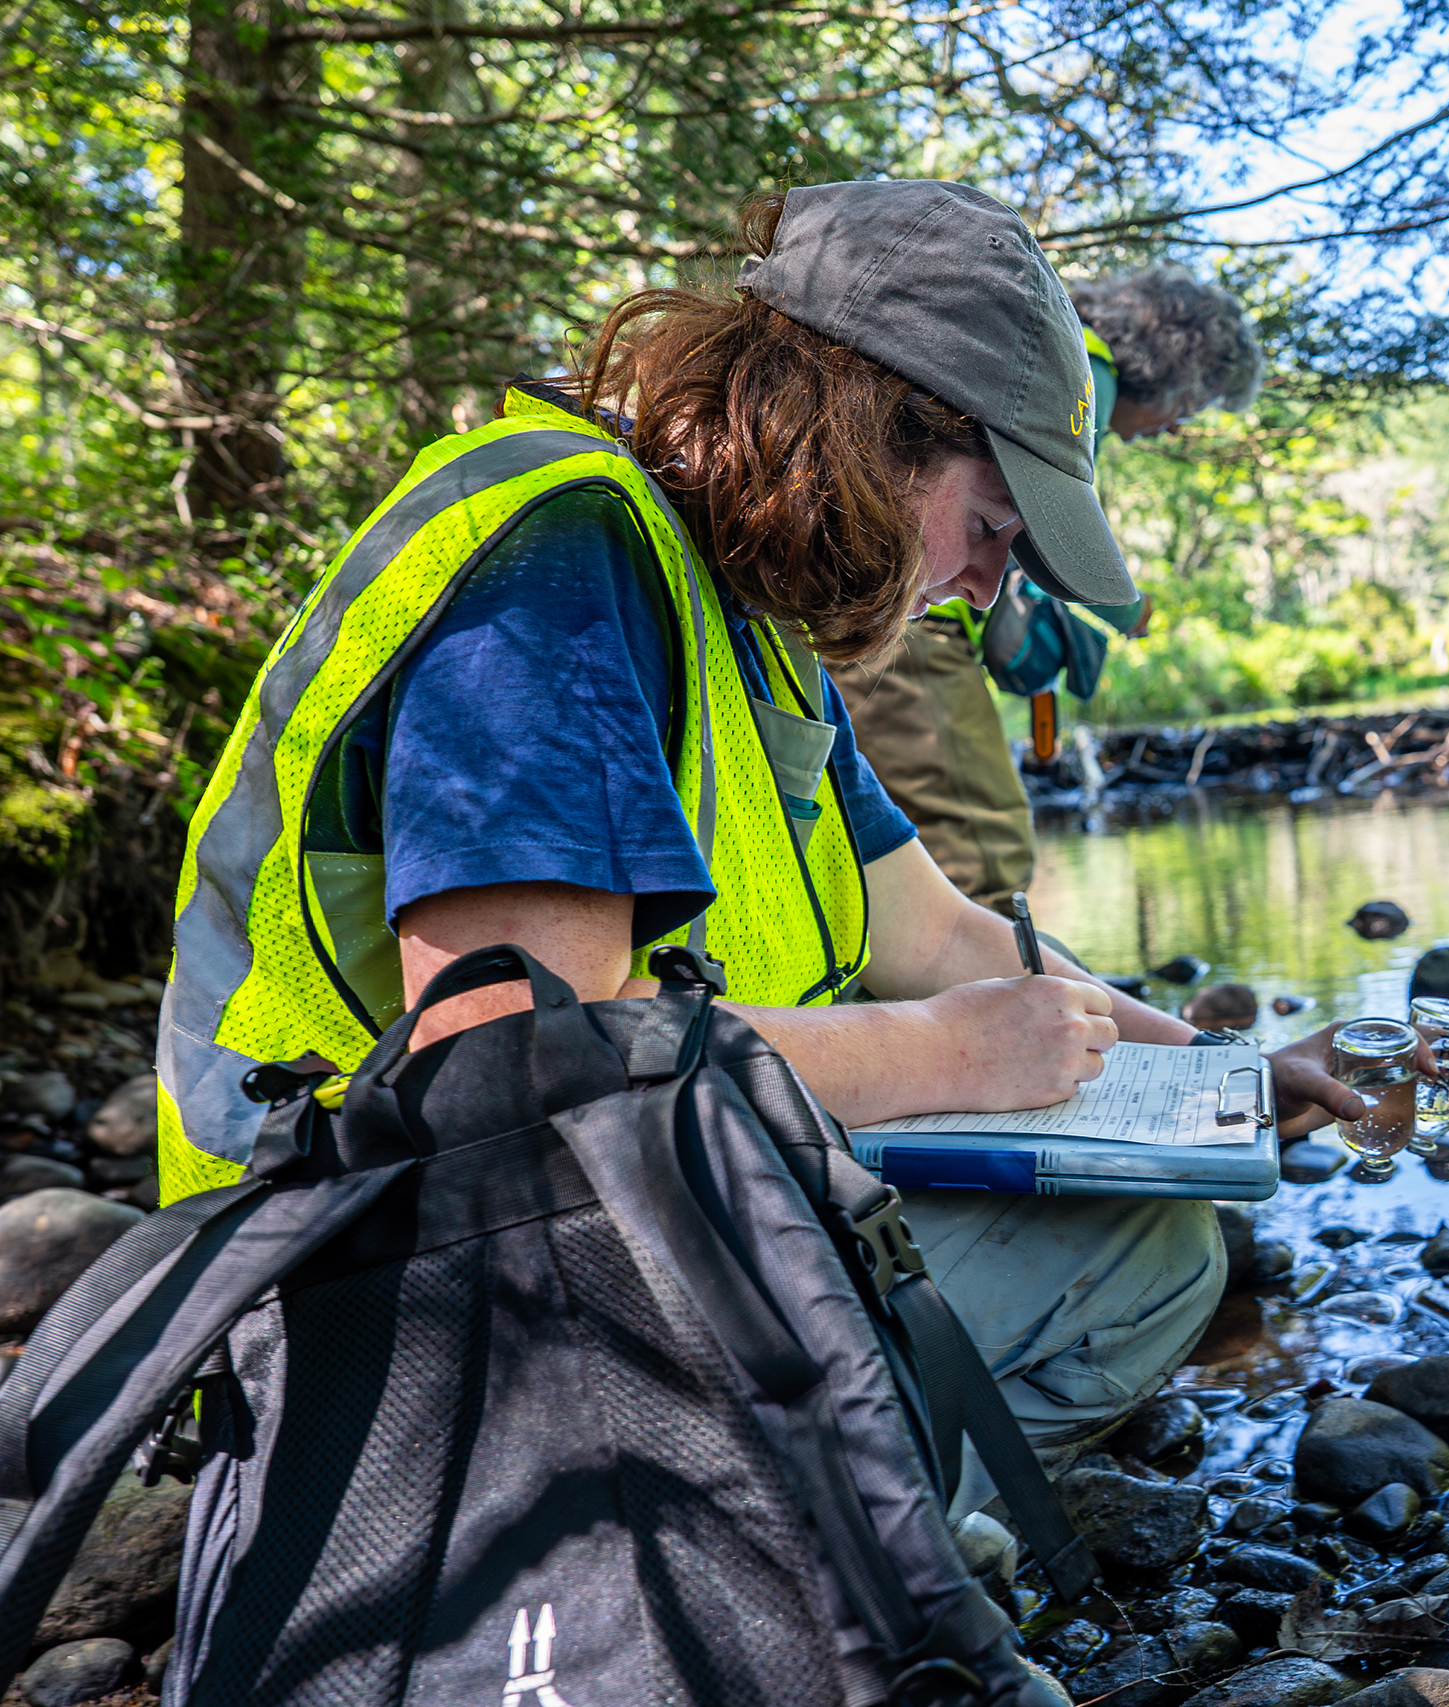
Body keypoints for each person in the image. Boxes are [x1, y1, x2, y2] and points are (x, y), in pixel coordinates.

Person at [156, 180, 1358, 1475]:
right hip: (356, 1276)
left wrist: (1221, 1067)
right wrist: (939, 1054)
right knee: (1131, 1259)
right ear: (873, 428)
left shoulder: (759, 636)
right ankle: (719, 1586)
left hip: (544, 1212)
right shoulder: (562, 552)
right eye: (994, 525)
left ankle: (809, 1558)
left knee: (1153, 1237)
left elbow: (939, 929)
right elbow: (507, 1056)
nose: (988, 583)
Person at [833, 267, 1264, 908]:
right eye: (1191, 406)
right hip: (913, 620)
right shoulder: (1090, 377)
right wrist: (1130, 612)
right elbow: (1059, 531)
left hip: (888, 602)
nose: (1177, 427)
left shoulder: (1051, 349)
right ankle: (984, 1001)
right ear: (1178, 364)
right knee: (985, 855)